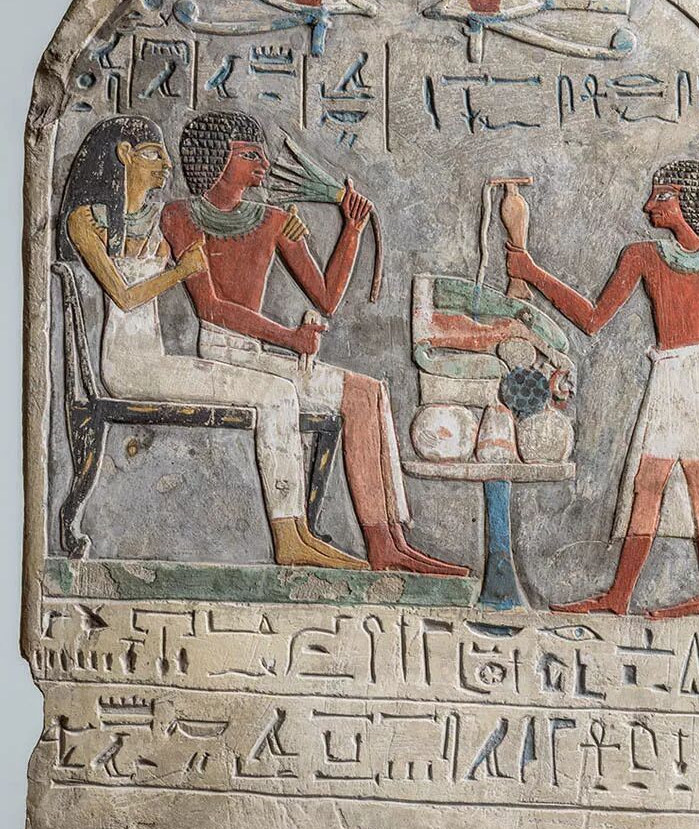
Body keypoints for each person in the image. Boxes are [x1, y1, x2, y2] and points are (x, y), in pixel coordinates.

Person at [161, 110, 468, 577]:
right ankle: (368, 542)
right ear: (216, 159)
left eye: (262, 155)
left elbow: (326, 297)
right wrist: (289, 337)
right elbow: (210, 308)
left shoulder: (274, 220)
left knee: (368, 394)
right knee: (337, 395)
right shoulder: (180, 216)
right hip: (221, 357)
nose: (263, 165)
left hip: (260, 357)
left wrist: (352, 229)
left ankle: (387, 541)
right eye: (250, 155)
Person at [60, 115, 366, 570]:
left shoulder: (156, 221)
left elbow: (213, 225)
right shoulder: (85, 221)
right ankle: (289, 538)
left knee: (280, 394)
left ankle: (300, 533)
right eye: (154, 155)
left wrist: (286, 225)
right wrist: (181, 272)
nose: (167, 165)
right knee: (277, 394)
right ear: (124, 155)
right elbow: (124, 297)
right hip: (126, 367)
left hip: (156, 360)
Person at [505, 158, 699, 618]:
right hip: (668, 376)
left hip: (693, 381)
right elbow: (593, 318)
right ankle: (626, 596)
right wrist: (532, 272)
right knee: (655, 484)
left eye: (662, 196)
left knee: (693, 484)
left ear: (692, 204)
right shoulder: (642, 256)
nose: (648, 205)